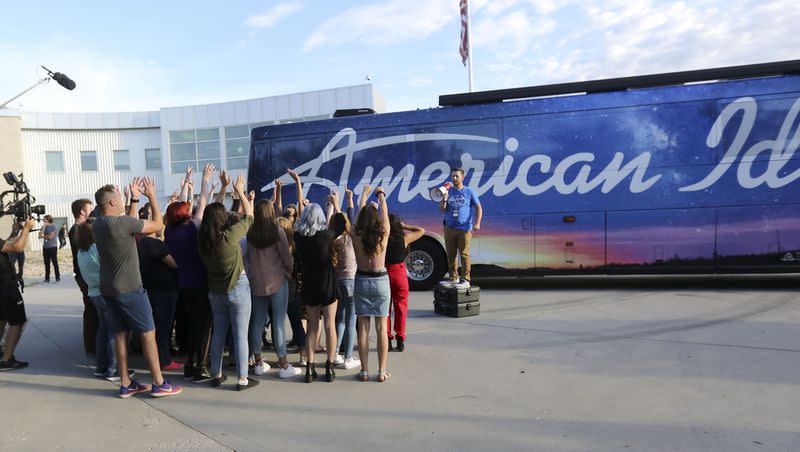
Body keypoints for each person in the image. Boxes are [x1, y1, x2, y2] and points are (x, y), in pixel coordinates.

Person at [93, 178, 182, 398]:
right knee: (148, 333)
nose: (122, 199)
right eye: (119, 197)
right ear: (113, 203)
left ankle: (126, 383)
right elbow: (158, 225)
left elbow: (128, 225)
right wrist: (151, 196)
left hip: (108, 289)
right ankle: (159, 382)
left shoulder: (99, 224)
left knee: (120, 335)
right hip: (131, 289)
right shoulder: (122, 224)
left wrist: (133, 198)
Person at [198, 173, 259, 391]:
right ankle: (242, 378)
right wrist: (240, 190)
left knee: (219, 332)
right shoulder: (229, 236)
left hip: (215, 293)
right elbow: (249, 216)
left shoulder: (202, 240)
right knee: (240, 335)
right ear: (223, 219)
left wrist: (222, 190)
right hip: (238, 289)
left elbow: (209, 212)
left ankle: (216, 373)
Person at [164, 164, 214, 383]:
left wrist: (186, 182)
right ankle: (199, 367)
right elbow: (203, 202)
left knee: (194, 324)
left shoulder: (169, 231)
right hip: (200, 283)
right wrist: (204, 180)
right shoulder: (193, 227)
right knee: (204, 325)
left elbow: (179, 206)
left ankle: (190, 365)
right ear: (186, 213)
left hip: (183, 284)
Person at [289, 168, 339, 383]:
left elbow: (301, 212)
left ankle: (309, 367)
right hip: (327, 285)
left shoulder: (299, 238)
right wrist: (335, 205)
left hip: (308, 285)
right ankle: (329, 367)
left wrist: (299, 183)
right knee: (330, 325)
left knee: (312, 327)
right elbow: (339, 222)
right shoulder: (327, 236)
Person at [245, 199, 301, 379]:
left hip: (257, 283)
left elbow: (247, 259)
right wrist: (289, 272)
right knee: (278, 322)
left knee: (257, 322)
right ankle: (283, 363)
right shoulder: (278, 232)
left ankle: (259, 361)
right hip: (278, 281)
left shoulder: (251, 233)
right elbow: (287, 257)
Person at [74, 220, 134, 381]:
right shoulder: (97, 249)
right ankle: (112, 368)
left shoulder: (81, 251)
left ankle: (102, 367)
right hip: (105, 293)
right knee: (115, 332)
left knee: (103, 331)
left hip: (93, 293)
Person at [352, 185, 392, 382]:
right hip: (381, 280)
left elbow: (357, 216)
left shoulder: (355, 235)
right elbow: (385, 214)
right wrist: (381, 196)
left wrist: (365, 195)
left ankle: (364, 370)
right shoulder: (383, 233)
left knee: (363, 328)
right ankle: (382, 371)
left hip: (361, 279)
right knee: (381, 328)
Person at [138, 227, 180, 371]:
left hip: (149, 288)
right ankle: (164, 360)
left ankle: (158, 355)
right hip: (164, 290)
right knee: (164, 327)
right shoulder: (155, 244)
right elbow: (173, 263)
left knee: (155, 325)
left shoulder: (139, 244)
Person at [327, 190, 360, 370]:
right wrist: (340, 202)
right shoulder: (349, 240)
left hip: (337, 282)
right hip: (351, 281)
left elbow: (336, 222)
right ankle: (348, 357)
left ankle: (336, 354)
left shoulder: (331, 241)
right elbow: (345, 221)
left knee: (339, 319)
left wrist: (333, 204)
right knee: (350, 319)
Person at [385, 214, 425, 352]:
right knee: (401, 307)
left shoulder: (382, 239)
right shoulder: (404, 239)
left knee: (385, 310)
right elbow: (421, 231)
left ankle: (387, 339)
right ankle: (400, 338)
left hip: (384, 273)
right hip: (399, 273)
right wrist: (406, 226)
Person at [0, 217, 35, 370]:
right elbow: (17, 247)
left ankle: (3, 354)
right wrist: (26, 228)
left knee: (1, 319)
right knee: (18, 321)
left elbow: (6, 245)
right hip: (5, 287)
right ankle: (6, 360)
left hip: (3, 286)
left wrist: (16, 231)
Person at [439, 167, 482, 289]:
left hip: (464, 228)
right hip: (449, 228)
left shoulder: (469, 192)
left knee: (464, 254)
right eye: (452, 176)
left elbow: (479, 208)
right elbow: (442, 209)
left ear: (462, 177)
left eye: (456, 176)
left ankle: (465, 279)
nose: (454, 178)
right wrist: (444, 198)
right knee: (451, 254)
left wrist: (477, 223)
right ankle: (453, 278)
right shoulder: (448, 191)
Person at [69, 198, 98, 353]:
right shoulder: (77, 230)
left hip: (84, 275)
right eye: (90, 208)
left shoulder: (79, 228)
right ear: (82, 211)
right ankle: (92, 345)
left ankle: (92, 344)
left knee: (91, 310)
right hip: (84, 276)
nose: (92, 211)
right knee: (91, 310)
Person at [39, 215, 60, 283]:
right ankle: (47, 278)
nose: (43, 221)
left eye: (44, 219)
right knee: (46, 263)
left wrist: (43, 236)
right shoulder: (44, 227)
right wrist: (43, 228)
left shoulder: (54, 227)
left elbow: (50, 237)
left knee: (54, 262)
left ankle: (57, 277)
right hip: (45, 247)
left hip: (52, 247)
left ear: (48, 220)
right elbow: (39, 235)